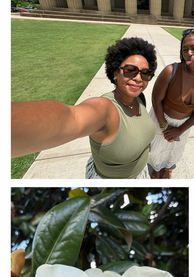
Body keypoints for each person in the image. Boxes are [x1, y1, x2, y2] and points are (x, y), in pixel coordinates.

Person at [11, 37, 158, 179]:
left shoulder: (138, 99)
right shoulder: (105, 108)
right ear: (115, 73)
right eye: (130, 70)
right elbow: (70, 118)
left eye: (145, 73)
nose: (139, 78)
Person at [147, 26, 194, 178]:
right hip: (161, 118)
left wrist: (180, 130)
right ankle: (157, 167)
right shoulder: (170, 71)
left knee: (176, 147)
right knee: (156, 146)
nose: (188, 54)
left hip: (184, 124)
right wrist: (163, 126)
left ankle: (168, 167)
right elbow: (156, 100)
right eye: (185, 49)